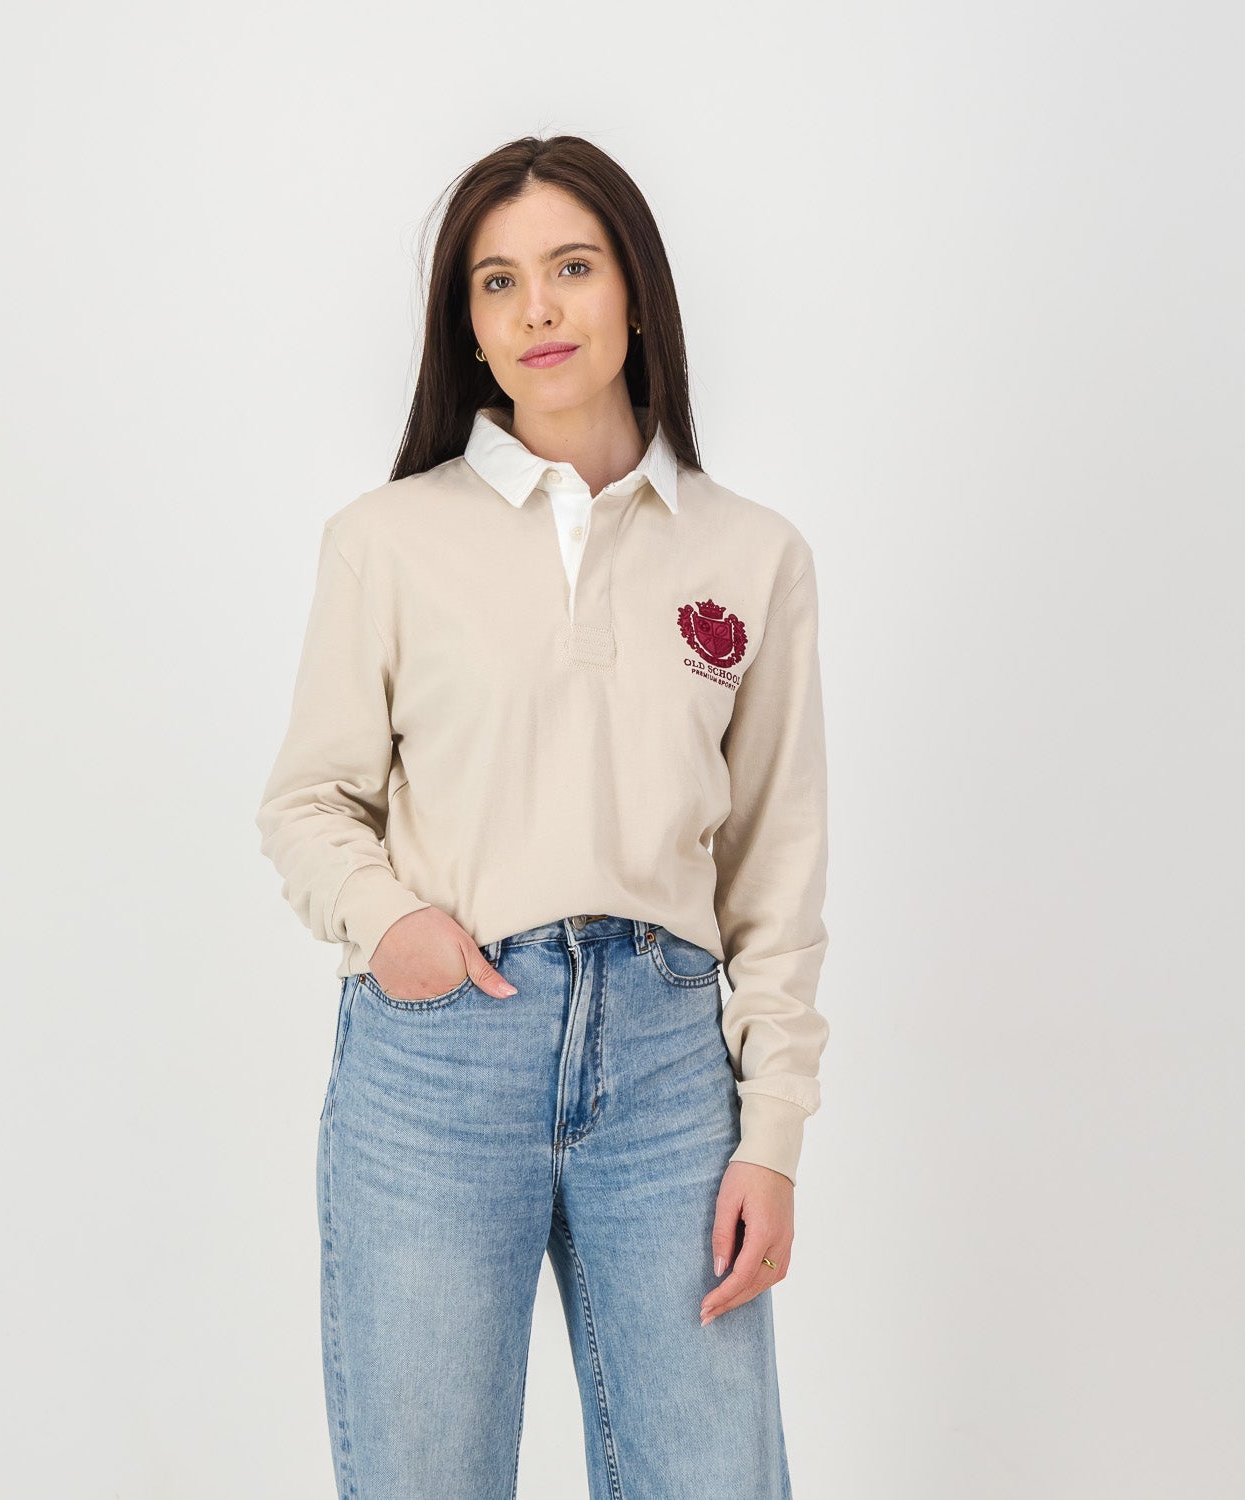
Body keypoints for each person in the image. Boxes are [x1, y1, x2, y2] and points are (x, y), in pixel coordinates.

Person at [255, 133, 829, 1500]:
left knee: (714, 1477)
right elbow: (309, 801)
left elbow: (776, 877)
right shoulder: (386, 540)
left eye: (572, 267)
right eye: (498, 282)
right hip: (440, 1060)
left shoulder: (751, 554)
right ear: (469, 324)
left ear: (635, 289)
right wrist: (392, 924)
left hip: (672, 1072)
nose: (537, 310)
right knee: (425, 1476)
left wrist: (773, 1137)